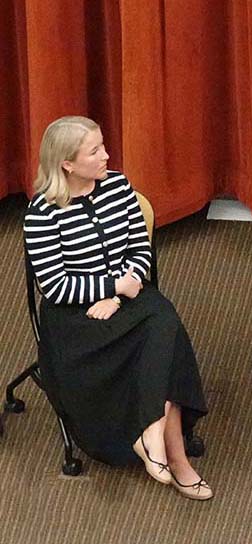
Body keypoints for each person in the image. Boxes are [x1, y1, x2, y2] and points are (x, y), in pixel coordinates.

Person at [23, 116, 212, 500]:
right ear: (67, 164)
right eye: (95, 151)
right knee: (164, 341)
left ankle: (153, 437)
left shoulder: (119, 188)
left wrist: (119, 294)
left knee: (164, 320)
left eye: (103, 146)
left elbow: (141, 252)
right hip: (76, 319)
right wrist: (109, 288)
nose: (107, 156)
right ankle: (175, 457)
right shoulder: (41, 214)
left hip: (127, 297)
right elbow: (55, 286)